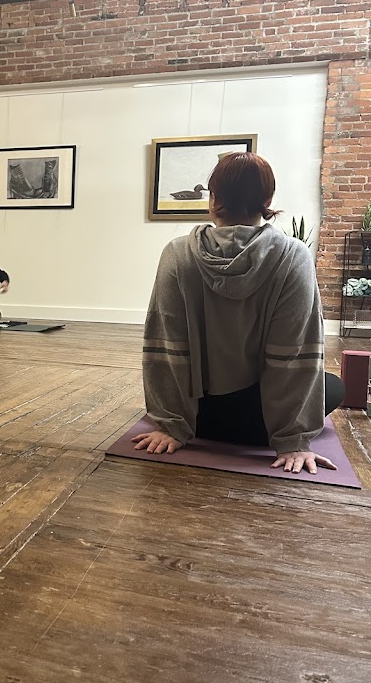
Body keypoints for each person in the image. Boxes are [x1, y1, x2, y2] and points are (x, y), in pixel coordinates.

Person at [134, 151, 344, 475]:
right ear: (267, 200)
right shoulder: (293, 256)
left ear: (213, 199)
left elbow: (165, 348)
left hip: (197, 421)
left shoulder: (177, 254)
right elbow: (295, 354)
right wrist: (293, 440)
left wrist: (170, 425)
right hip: (261, 426)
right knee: (334, 386)